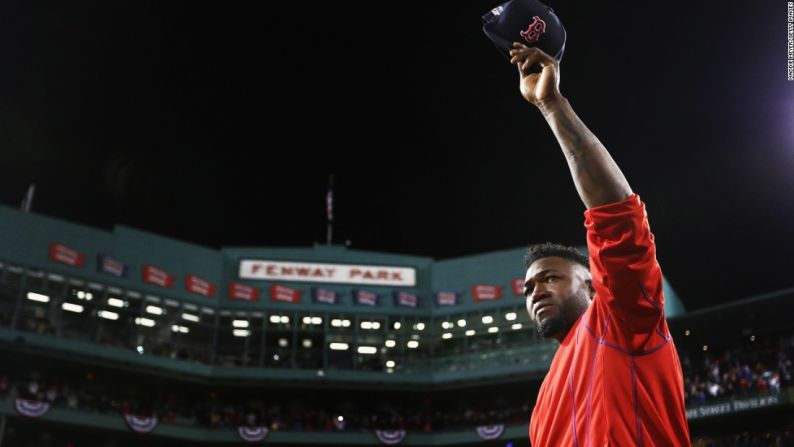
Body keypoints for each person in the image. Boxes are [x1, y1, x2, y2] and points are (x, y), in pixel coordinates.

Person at [510, 42, 690, 446]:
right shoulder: (542, 407)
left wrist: (552, 107)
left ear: (593, 286)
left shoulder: (623, 320)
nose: (535, 290)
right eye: (529, 287)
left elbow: (617, 217)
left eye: (550, 277)